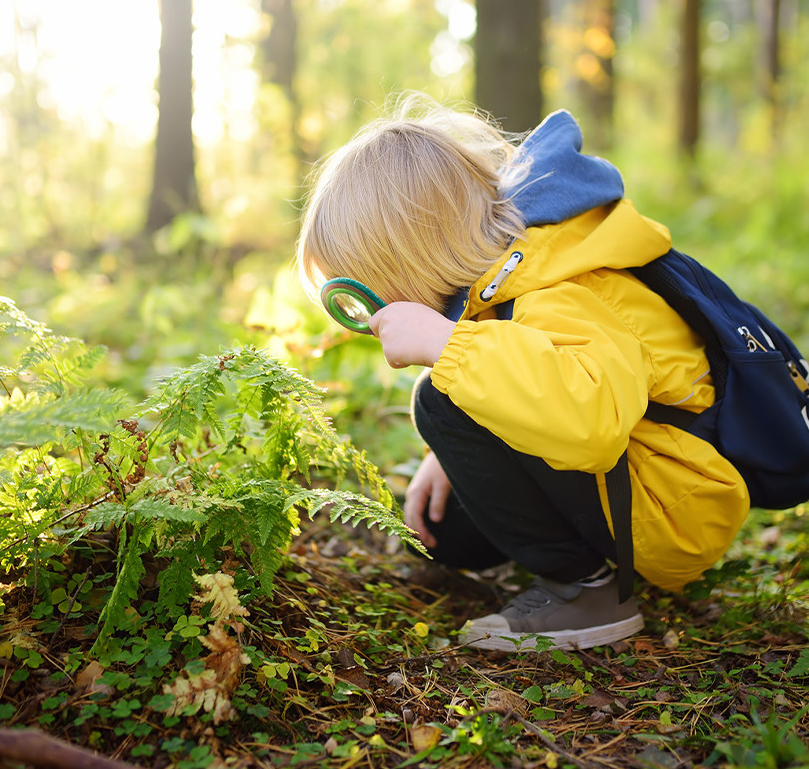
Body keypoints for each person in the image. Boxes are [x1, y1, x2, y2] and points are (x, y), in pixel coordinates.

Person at [296, 94, 749, 652]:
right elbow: (528, 371)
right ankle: (566, 563)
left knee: (436, 398)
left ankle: (588, 595)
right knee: (450, 535)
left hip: (672, 505)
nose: (370, 314)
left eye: (367, 288)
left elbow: (591, 421)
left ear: (412, 257)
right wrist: (450, 453)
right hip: (636, 482)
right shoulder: (503, 278)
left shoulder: (560, 284)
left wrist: (447, 347)